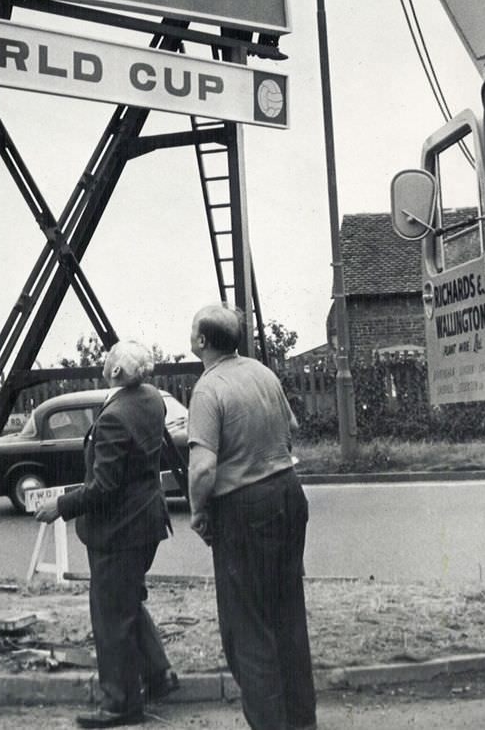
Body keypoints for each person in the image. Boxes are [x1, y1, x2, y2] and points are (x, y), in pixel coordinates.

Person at [187, 303, 316, 730]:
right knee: (287, 616)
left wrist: (198, 510)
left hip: (244, 507)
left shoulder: (208, 389)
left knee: (249, 629)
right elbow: (292, 425)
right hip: (288, 492)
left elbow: (203, 467)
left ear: (202, 341)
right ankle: (301, 722)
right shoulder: (262, 373)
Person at [35, 340, 177, 728]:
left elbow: (104, 487)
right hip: (147, 520)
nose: (104, 361)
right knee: (126, 600)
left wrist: (60, 506)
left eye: (108, 358)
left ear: (115, 371)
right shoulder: (151, 397)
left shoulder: (116, 415)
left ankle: (120, 704)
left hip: (120, 529)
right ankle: (160, 675)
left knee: (110, 615)